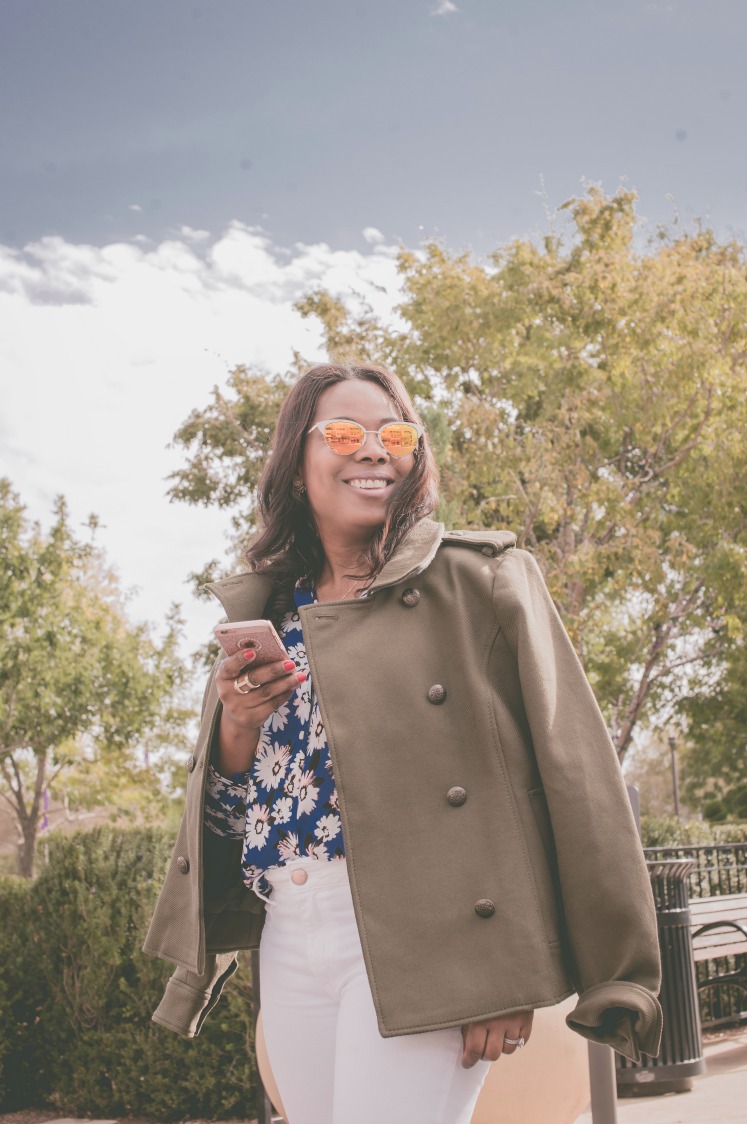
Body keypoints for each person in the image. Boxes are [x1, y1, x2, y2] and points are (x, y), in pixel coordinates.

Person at [144, 361, 663, 1124]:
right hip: (289, 933)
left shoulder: (482, 580)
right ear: (296, 465)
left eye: (395, 434)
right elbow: (230, 812)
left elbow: (576, 776)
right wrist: (236, 726)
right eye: (346, 433)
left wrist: (514, 972)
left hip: (431, 939)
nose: (374, 450)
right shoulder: (268, 610)